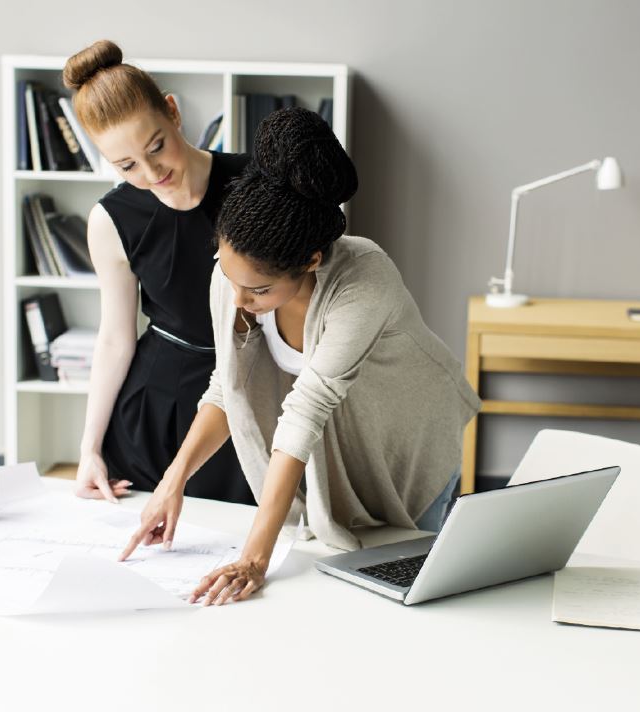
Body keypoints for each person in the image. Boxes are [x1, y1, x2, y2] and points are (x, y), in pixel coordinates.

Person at [119, 107, 481, 606]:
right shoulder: (231, 278)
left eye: (259, 289)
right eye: (230, 277)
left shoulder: (365, 281)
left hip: (404, 444)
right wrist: (171, 483)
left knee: (402, 597)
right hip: (331, 448)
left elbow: (306, 409)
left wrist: (254, 558)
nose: (239, 299)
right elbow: (226, 386)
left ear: (310, 261)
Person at [62, 40, 253, 506]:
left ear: (172, 112)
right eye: (127, 166)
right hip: (153, 405)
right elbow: (114, 337)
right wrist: (88, 449)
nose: (151, 173)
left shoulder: (255, 182)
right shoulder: (111, 219)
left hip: (245, 388)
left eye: (156, 147)